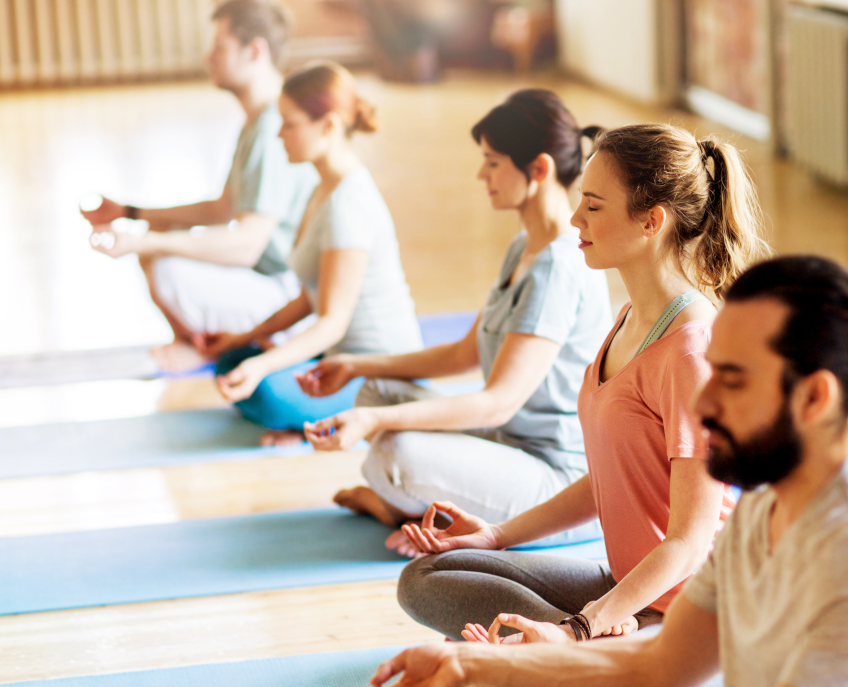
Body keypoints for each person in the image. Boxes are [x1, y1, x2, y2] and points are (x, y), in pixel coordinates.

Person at [356, 255, 848, 687]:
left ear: (815, 399)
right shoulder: (763, 516)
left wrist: (559, 638)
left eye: (732, 382)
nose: (704, 405)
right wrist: (465, 663)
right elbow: (659, 666)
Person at [393, 123, 771, 687]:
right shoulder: (628, 317)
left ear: (652, 221)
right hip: (628, 589)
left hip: (699, 628)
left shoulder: (691, 352)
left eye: (593, 207)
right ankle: (540, 649)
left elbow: (690, 542)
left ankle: (544, 655)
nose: (574, 221)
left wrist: (576, 628)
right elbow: (608, 478)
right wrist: (495, 535)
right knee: (427, 577)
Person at [295, 89, 610, 553]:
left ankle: (409, 506)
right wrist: (357, 365)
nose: (481, 174)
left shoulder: (556, 269)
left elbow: (497, 402)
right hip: (506, 445)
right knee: (375, 392)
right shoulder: (523, 248)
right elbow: (463, 354)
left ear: (538, 170)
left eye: (493, 162)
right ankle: (414, 506)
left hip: (554, 479)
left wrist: (374, 420)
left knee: (397, 452)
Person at [81, 0, 319, 372]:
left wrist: (144, 242)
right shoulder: (259, 120)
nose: (209, 57)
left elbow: (246, 244)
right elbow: (221, 209)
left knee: (163, 262)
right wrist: (130, 213)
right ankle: (200, 341)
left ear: (254, 51)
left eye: (219, 47)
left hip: (291, 296)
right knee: (161, 237)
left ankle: (205, 348)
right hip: (270, 278)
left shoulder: (274, 124)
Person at [199, 62, 422, 445]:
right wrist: (243, 339)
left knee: (262, 389)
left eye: (289, 124)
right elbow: (309, 297)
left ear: (329, 126)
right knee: (232, 364)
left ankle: (317, 422)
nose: (279, 135)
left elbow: (332, 322)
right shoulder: (321, 189)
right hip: (335, 362)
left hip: (378, 375)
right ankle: (303, 415)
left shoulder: (347, 205)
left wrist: (265, 364)